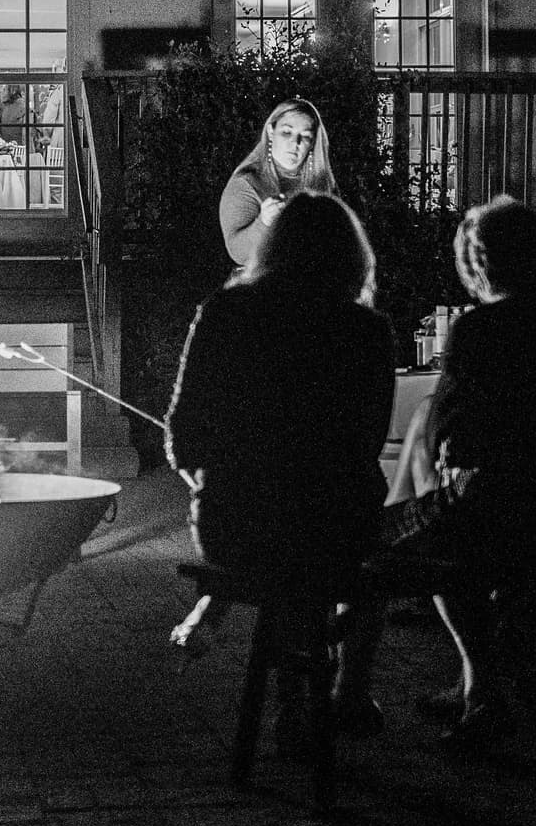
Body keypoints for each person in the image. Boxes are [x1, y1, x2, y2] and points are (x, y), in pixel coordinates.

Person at [167, 193, 397, 743]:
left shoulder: (225, 314)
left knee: (287, 531)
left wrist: (219, 483)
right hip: (335, 527)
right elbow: (365, 445)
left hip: (233, 527)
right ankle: (347, 689)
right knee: (370, 549)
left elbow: (182, 435)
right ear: (351, 257)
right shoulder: (367, 331)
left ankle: (295, 703)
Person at [381, 196, 536, 743]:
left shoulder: (479, 331)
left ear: (480, 262)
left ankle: (481, 686)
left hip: (504, 505)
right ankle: (482, 679)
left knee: (427, 541)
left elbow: (454, 430)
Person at [218, 99, 338, 267]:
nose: (294, 143)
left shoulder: (324, 183)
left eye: (305, 136)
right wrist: (264, 222)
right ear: (270, 132)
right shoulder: (245, 184)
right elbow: (238, 253)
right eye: (287, 132)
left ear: (312, 143)